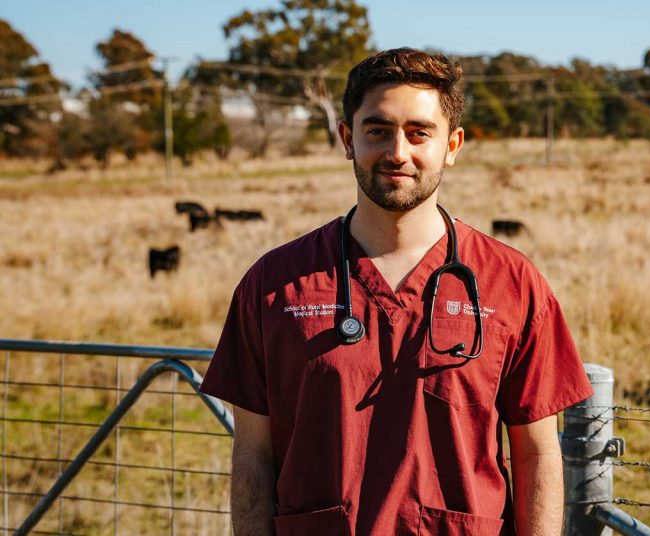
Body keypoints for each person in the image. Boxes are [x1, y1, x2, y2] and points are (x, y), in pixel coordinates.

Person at [199, 47, 593, 535]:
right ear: (347, 138)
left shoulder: (512, 285)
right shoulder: (275, 286)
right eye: (378, 131)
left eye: (419, 133)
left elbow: (536, 453)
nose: (397, 153)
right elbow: (253, 454)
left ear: (452, 145)